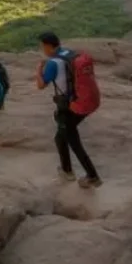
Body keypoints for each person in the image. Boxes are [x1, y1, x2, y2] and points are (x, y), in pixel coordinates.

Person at [36, 32, 102, 189]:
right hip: (86, 100)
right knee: (60, 137)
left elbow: (40, 85)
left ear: (48, 46)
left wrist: (39, 70)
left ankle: (92, 176)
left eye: (42, 46)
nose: (42, 49)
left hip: (70, 106)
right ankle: (67, 170)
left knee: (72, 140)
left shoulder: (53, 63)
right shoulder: (69, 54)